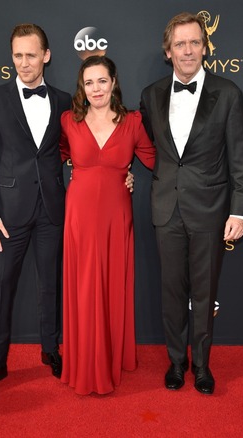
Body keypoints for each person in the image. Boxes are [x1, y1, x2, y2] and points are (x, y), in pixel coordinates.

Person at [139, 12, 243, 395]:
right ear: (168, 51)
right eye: (180, 44)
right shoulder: (151, 95)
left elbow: (240, 157)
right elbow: (153, 149)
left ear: (204, 47)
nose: (187, 50)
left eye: (194, 43)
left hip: (210, 209)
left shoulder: (229, 93)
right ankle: (176, 362)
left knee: (204, 293)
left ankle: (202, 366)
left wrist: (239, 209)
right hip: (166, 209)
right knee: (171, 291)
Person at [0, 23, 71, 401]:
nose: (24, 63)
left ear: (46, 56)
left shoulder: (62, 100)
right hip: (7, 215)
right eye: (17, 55)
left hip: (51, 209)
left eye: (31, 55)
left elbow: (83, 145)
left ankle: (51, 349)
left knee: (50, 285)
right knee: (1, 289)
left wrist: (121, 173)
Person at [59, 55, 155, 395]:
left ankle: (112, 355)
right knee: (85, 287)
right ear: (81, 88)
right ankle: (85, 360)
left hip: (116, 216)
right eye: (89, 83)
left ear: (113, 82)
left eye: (102, 80)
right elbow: (49, 158)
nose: (96, 88)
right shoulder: (68, 121)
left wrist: (127, 175)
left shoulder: (133, 122)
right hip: (80, 217)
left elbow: (157, 159)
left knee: (112, 284)